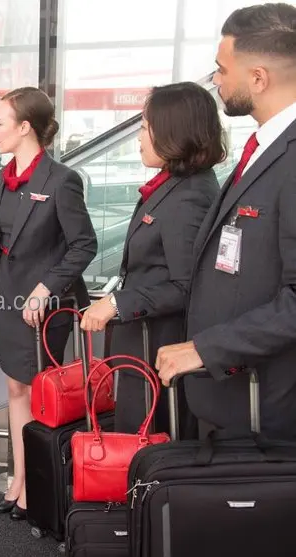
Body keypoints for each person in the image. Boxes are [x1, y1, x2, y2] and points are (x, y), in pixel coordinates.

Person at [156, 3, 296, 440]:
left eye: (221, 69)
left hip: (265, 414)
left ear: (258, 78)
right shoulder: (264, 149)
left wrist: (206, 348)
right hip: (231, 400)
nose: (216, 81)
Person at [0, 87, 97, 520]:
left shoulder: (61, 179)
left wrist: (46, 288)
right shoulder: (6, 175)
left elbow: (84, 245)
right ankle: (19, 479)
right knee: (15, 388)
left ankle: (34, 486)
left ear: (25, 126)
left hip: (43, 306)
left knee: (38, 393)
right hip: (8, 298)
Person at [80, 82, 224, 435]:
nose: (139, 138)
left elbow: (187, 285)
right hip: (143, 346)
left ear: (173, 131)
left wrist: (118, 302)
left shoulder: (190, 196)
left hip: (160, 346)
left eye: (145, 128)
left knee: (146, 442)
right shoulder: (172, 185)